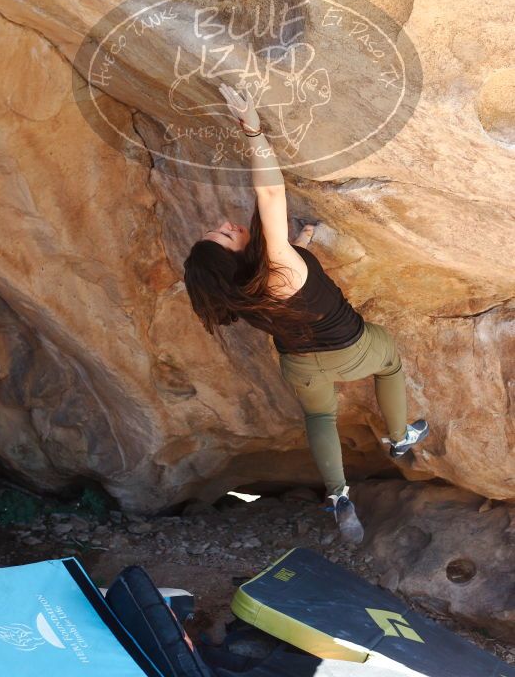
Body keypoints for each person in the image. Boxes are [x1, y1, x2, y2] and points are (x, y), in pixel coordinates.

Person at [183, 82, 429, 544]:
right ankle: (398, 437)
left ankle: (337, 495)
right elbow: (271, 195)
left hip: (301, 366)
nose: (226, 226)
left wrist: (305, 244)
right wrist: (252, 128)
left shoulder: (246, 290)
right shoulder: (274, 260)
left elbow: (284, 276)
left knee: (320, 419)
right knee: (390, 360)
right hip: (353, 348)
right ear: (230, 258)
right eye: (222, 236)